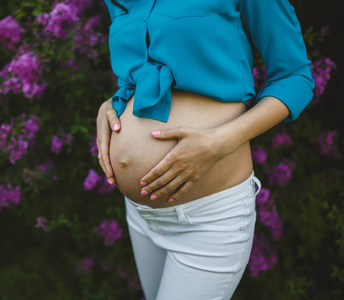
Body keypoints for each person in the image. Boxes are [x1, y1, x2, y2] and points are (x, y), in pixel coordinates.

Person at [96, 0, 315, 299]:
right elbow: (136, 77)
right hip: (140, 212)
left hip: (209, 218)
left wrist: (220, 143)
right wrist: (111, 104)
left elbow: (295, 77)